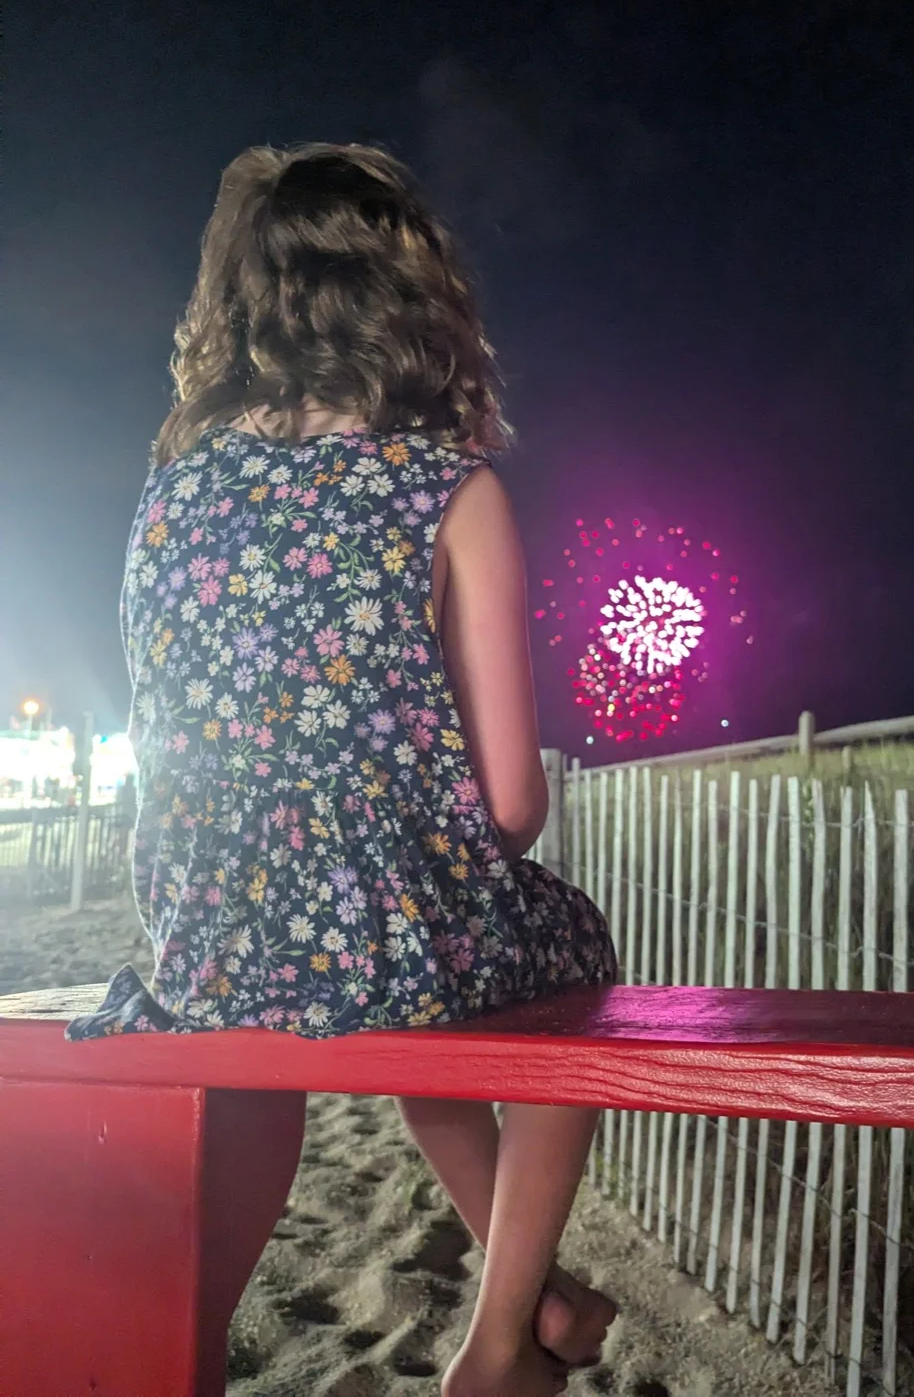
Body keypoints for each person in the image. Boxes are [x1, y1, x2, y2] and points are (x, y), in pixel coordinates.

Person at [67, 143, 619, 1397]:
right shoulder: (445, 487)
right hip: (383, 934)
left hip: (205, 935)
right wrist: (414, 864)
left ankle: (192, 1341)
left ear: (240, 301)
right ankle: (499, 1342)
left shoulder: (170, 493)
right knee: (550, 959)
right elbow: (513, 805)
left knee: (327, 1012)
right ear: (410, 299)